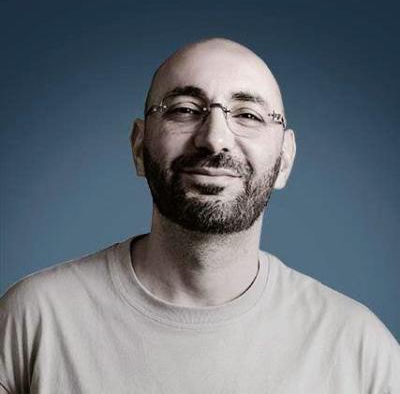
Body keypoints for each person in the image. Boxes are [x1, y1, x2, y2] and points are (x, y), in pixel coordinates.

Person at [1, 38, 399, 394]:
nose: (214, 138)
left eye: (248, 115)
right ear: (139, 147)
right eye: (185, 110)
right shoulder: (33, 319)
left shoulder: (360, 349)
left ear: (284, 160)